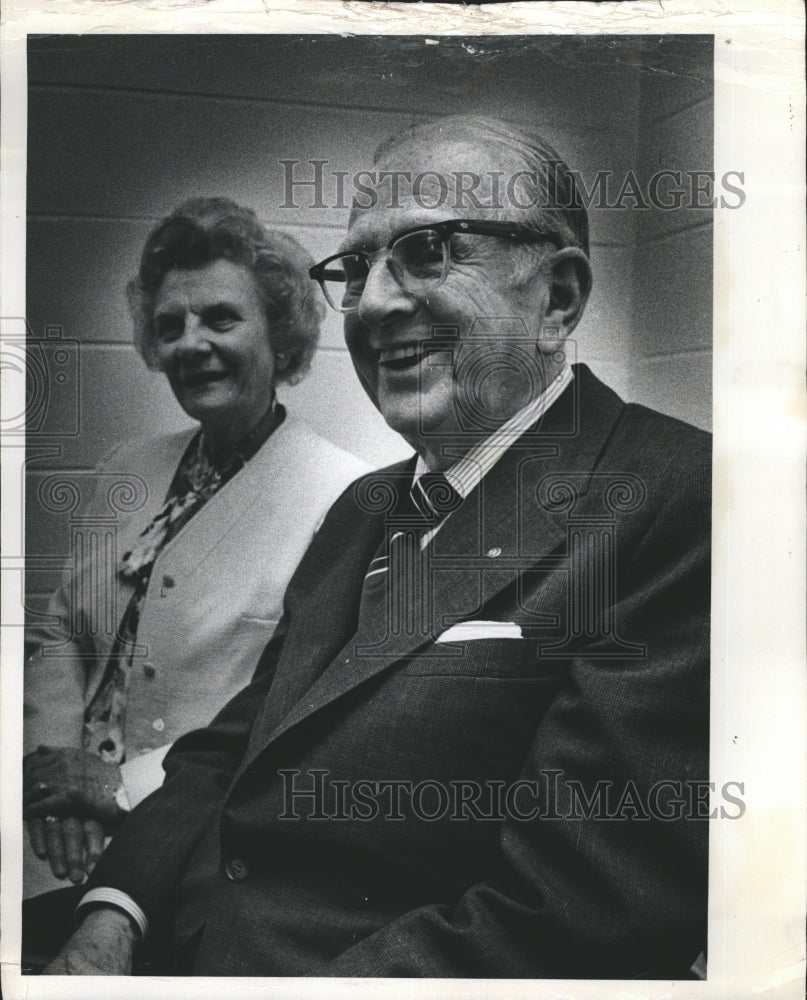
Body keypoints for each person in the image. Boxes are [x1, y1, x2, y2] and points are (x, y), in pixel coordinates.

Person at [35, 116, 710, 978]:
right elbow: (230, 750)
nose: (378, 303)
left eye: (429, 252)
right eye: (356, 270)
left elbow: (573, 914)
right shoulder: (368, 505)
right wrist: (110, 917)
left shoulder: (673, 500)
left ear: (558, 300)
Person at [22, 197, 368, 890]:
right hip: (51, 815)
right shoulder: (127, 467)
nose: (190, 343)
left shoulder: (345, 498)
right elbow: (62, 628)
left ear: (280, 334)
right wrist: (54, 766)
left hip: (199, 836)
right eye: (170, 324)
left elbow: (292, 713)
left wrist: (114, 787)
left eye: (220, 318)